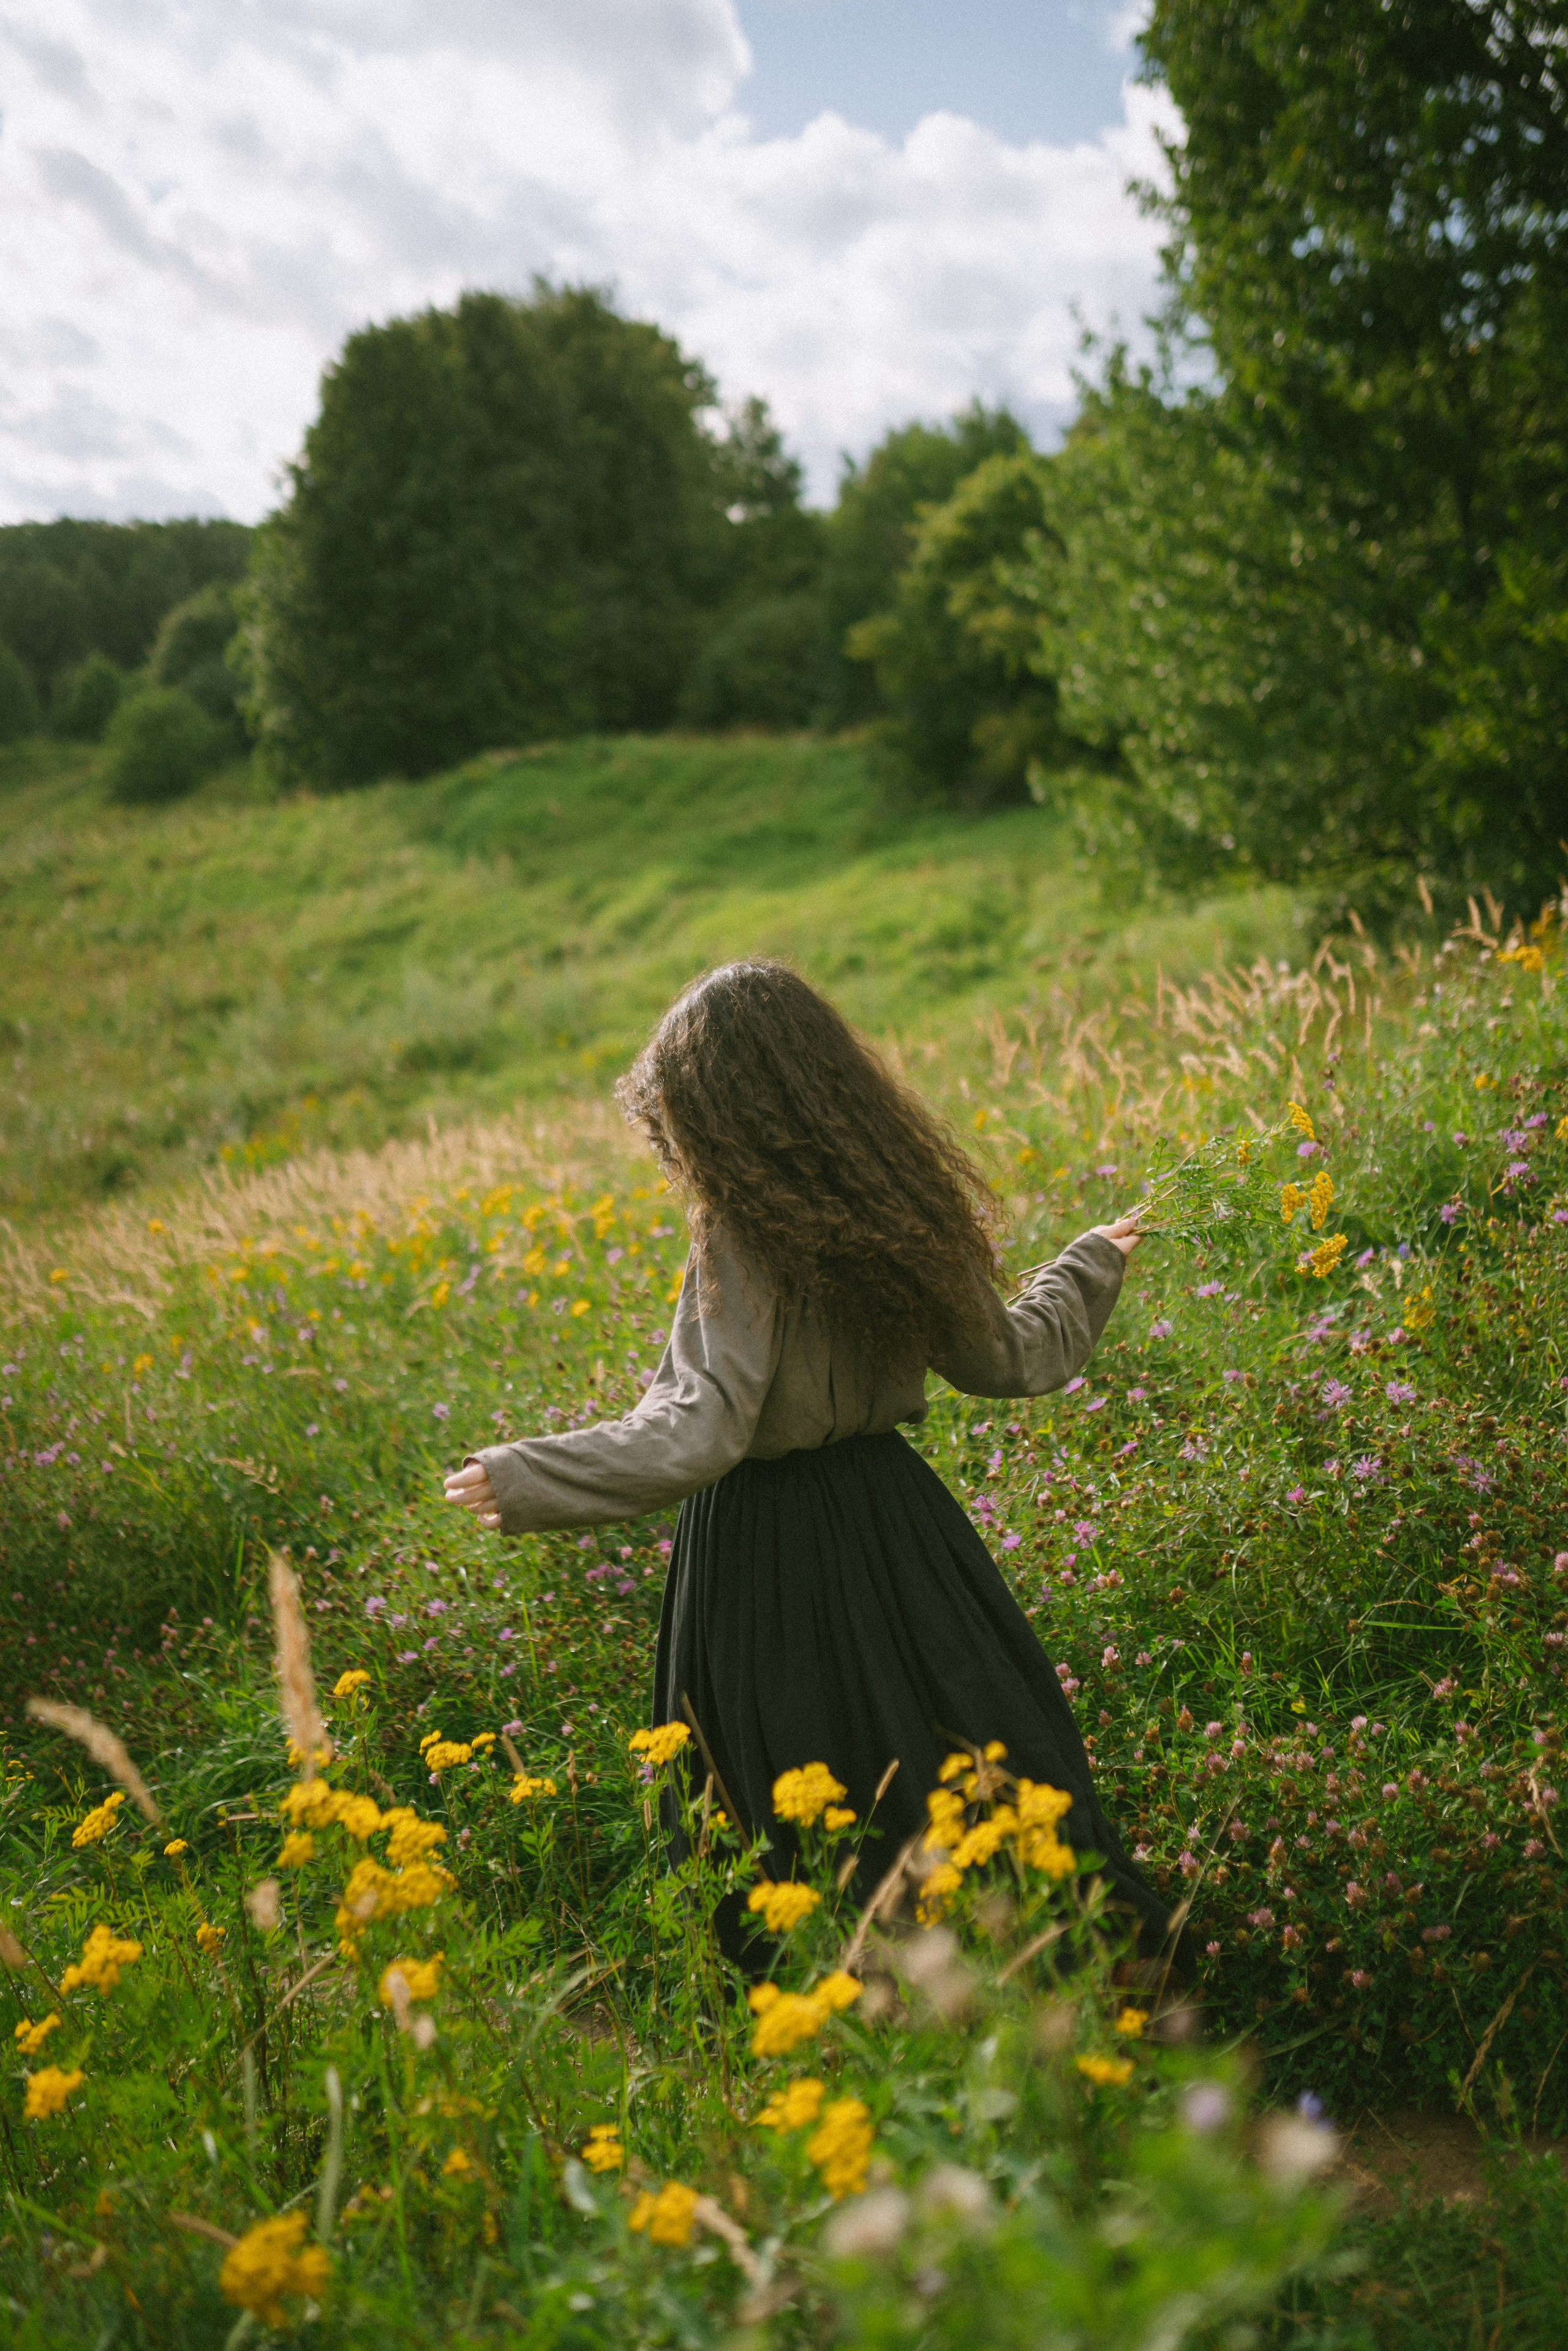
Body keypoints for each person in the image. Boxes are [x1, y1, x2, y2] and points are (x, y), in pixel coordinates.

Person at [445, 959, 1175, 1965]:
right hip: (898, 1530)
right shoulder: (901, 1203)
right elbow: (1008, 1357)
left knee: (797, 1808)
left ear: (722, 1114)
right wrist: (1091, 1257)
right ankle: (1042, 1973)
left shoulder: (739, 1234)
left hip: (764, 1557)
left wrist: (529, 1474)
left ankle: (854, 2013)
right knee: (966, 1757)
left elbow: (699, 1428)